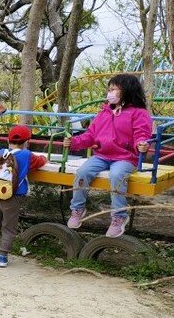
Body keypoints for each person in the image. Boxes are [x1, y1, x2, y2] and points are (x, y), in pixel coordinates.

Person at [63, 74, 152, 239]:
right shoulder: (104, 113)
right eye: (109, 89)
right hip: (102, 155)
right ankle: (77, 209)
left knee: (117, 175)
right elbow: (90, 135)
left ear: (127, 91)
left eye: (113, 89)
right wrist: (74, 142)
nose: (109, 93)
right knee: (82, 172)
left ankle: (119, 217)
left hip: (125, 157)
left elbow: (142, 134)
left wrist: (141, 145)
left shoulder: (138, 113)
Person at [0, 125, 47, 268]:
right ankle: (2, 256)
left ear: (8, 140)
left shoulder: (1, 153)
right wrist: (44, 158)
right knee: (9, 227)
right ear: (27, 142)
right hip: (13, 196)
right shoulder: (27, 155)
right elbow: (41, 161)